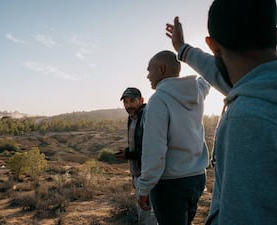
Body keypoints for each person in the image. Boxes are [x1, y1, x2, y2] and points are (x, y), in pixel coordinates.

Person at [165, 0, 277, 224]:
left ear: (212, 45)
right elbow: (219, 73)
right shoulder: (264, 87)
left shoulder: (248, 117)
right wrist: (182, 49)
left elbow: (242, 216)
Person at [137, 50, 210, 225]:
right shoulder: (197, 91)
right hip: (197, 179)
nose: (147, 76)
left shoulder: (158, 100)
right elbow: (207, 77)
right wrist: (187, 50)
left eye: (150, 70)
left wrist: (144, 187)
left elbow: (155, 150)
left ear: (162, 69)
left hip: (171, 184)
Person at [115, 87, 157, 225]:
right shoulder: (132, 118)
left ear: (142, 100)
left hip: (147, 174)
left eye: (132, 101)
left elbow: (151, 150)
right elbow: (138, 144)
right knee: (144, 214)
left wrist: (128, 154)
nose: (128, 105)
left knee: (148, 216)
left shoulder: (147, 116)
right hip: (137, 174)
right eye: (125, 102)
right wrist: (127, 152)